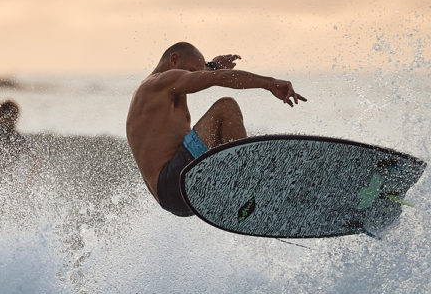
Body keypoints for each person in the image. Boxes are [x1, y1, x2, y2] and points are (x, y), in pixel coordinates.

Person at [126, 42, 305, 217]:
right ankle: (248, 186)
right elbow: (219, 78)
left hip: (175, 195)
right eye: (194, 71)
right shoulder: (161, 82)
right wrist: (270, 83)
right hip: (175, 180)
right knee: (226, 106)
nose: (199, 75)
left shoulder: (152, 92)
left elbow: (206, 74)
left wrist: (212, 65)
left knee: (223, 136)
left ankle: (241, 194)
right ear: (174, 59)